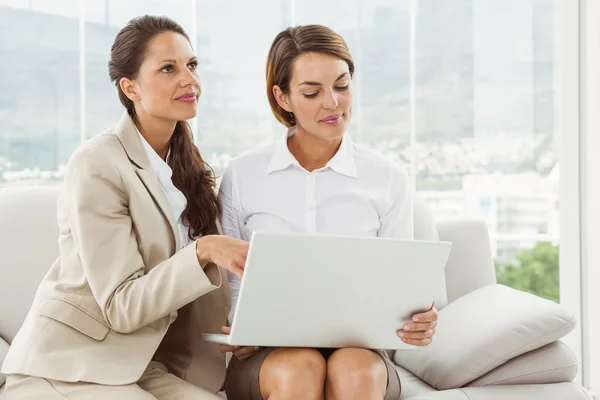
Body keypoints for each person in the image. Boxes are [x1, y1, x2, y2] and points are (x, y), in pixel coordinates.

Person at [1, 15, 248, 400]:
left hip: (141, 366)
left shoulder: (188, 169)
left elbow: (198, 293)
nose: (189, 79)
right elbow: (121, 306)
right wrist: (205, 249)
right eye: (168, 68)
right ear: (130, 87)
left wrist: (245, 326)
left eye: (192, 65)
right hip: (70, 367)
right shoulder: (97, 164)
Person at [218, 24, 438, 400]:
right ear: (282, 97)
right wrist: (237, 329)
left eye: (341, 85)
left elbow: (400, 286)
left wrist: (419, 320)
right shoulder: (243, 175)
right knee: (298, 369)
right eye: (312, 92)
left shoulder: (387, 179)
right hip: (267, 357)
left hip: (361, 353)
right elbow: (230, 287)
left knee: (355, 371)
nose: (333, 103)